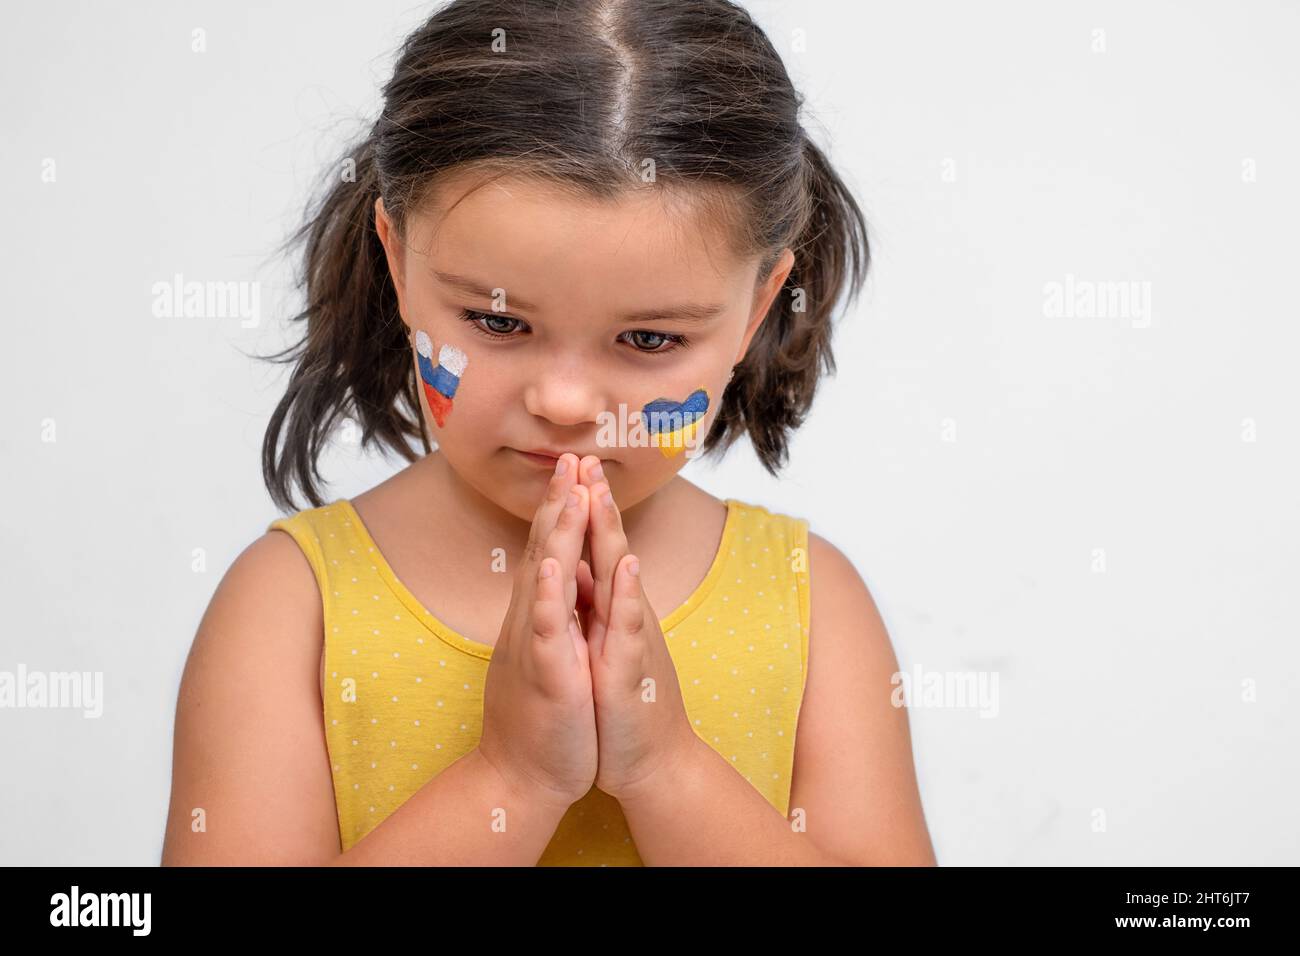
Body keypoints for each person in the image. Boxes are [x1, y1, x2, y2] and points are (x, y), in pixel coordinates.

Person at [161, 0, 936, 866]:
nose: (566, 402)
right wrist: (511, 781)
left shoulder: (810, 604)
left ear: (756, 308)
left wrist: (669, 772)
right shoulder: (291, 606)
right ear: (399, 262)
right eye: (497, 323)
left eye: (649, 340)